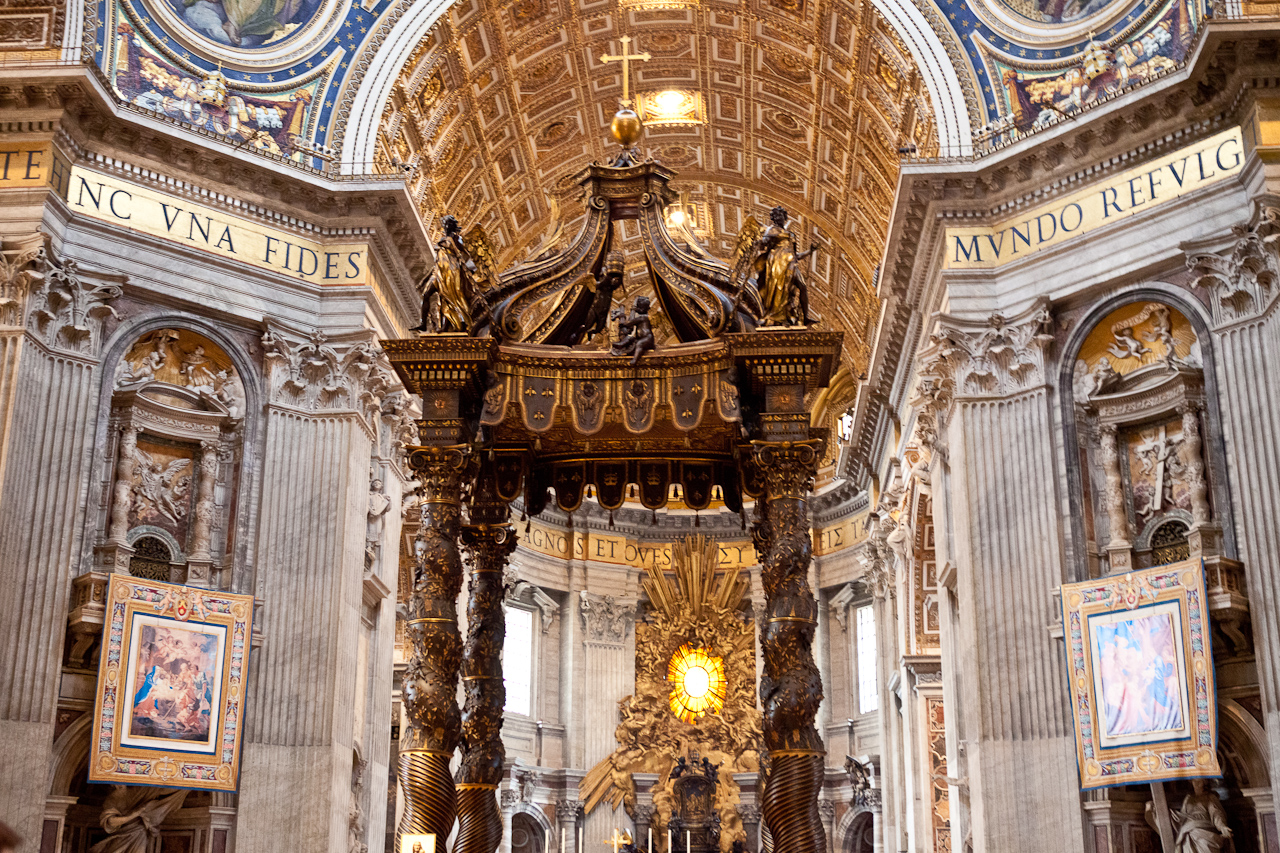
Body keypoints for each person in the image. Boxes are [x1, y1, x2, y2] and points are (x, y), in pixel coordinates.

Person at [749, 206, 817, 326]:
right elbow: (763, 244)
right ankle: (773, 315)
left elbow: (796, 255)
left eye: (780, 215)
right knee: (778, 288)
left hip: (790, 262)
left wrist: (810, 251)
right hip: (777, 262)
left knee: (802, 286)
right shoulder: (771, 231)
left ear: (784, 217)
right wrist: (758, 242)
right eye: (775, 216)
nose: (778, 218)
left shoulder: (791, 234)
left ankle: (805, 317)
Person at [412, 215, 480, 334]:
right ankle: (423, 323)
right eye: (444, 224)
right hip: (439, 272)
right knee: (426, 294)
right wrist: (424, 280)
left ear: (452, 226)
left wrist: (458, 259)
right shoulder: (444, 242)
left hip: (451, 272)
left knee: (448, 299)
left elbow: (466, 254)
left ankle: (448, 325)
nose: (445, 226)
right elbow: (437, 264)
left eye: (447, 224)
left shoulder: (456, 239)